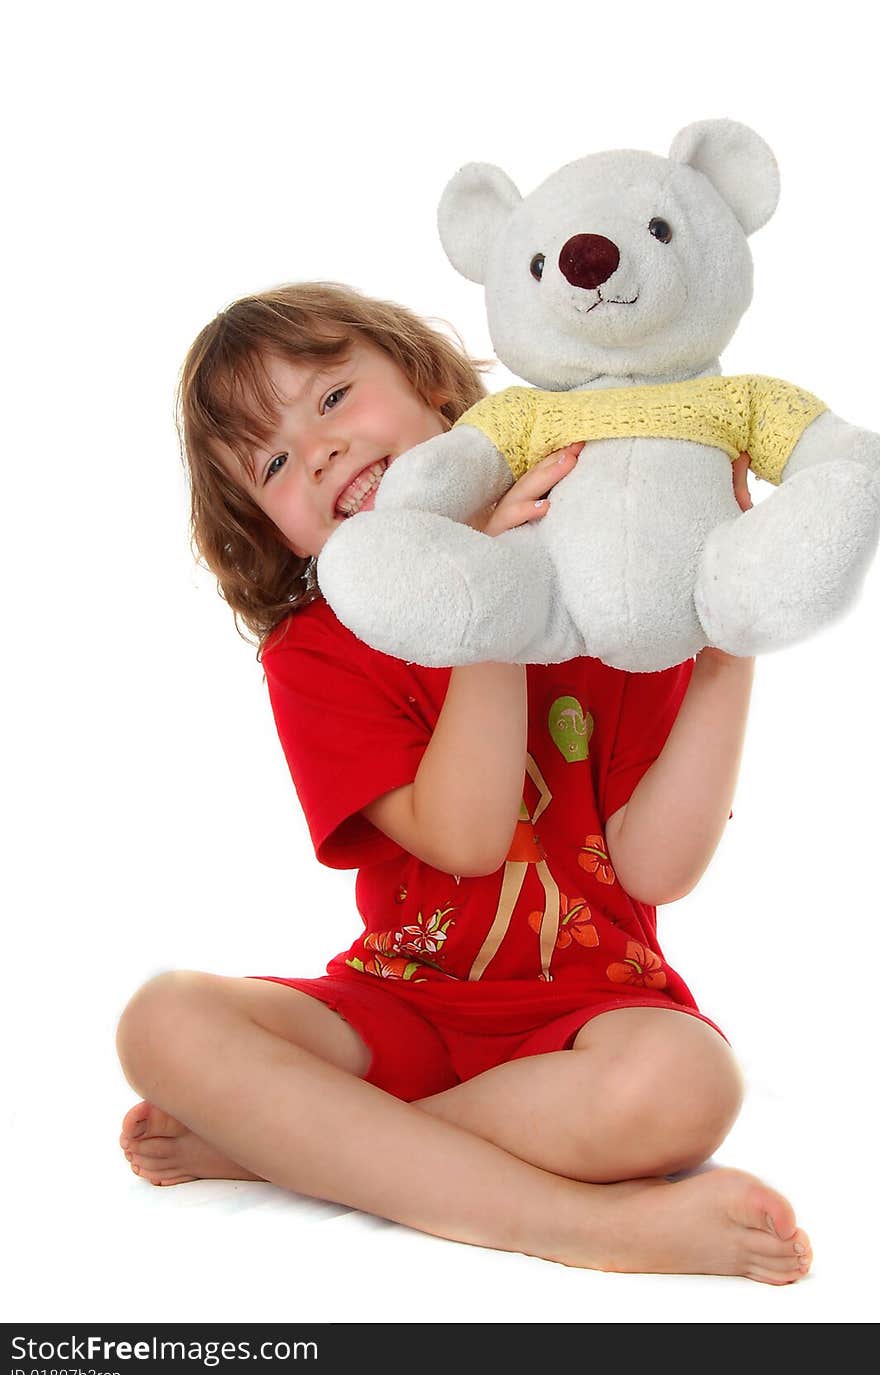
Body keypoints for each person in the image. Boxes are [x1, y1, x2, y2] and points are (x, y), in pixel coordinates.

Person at [116, 282, 811, 1284]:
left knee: (692, 1085)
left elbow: (656, 866)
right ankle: (587, 1226)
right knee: (162, 1018)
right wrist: (481, 599)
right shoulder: (315, 650)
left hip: (591, 1010)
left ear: (434, 387)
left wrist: (728, 646)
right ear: (269, 528)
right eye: (271, 462)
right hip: (403, 1000)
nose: (315, 449)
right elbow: (470, 836)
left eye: (331, 398)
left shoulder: (601, 581)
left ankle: (296, 1145)